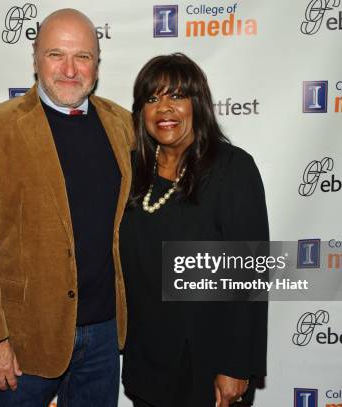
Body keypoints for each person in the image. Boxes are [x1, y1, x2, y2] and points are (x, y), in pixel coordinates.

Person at [0, 9, 134, 406]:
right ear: (35, 60)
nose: (70, 69)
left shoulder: (122, 124)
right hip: (23, 339)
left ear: (97, 64)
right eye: (56, 54)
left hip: (104, 336)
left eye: (82, 56)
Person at [120, 53, 269, 407]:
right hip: (147, 361)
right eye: (152, 98)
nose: (164, 108)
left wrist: (236, 365)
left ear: (197, 104)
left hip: (210, 363)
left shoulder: (233, 169)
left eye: (176, 96)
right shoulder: (131, 171)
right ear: (141, 111)